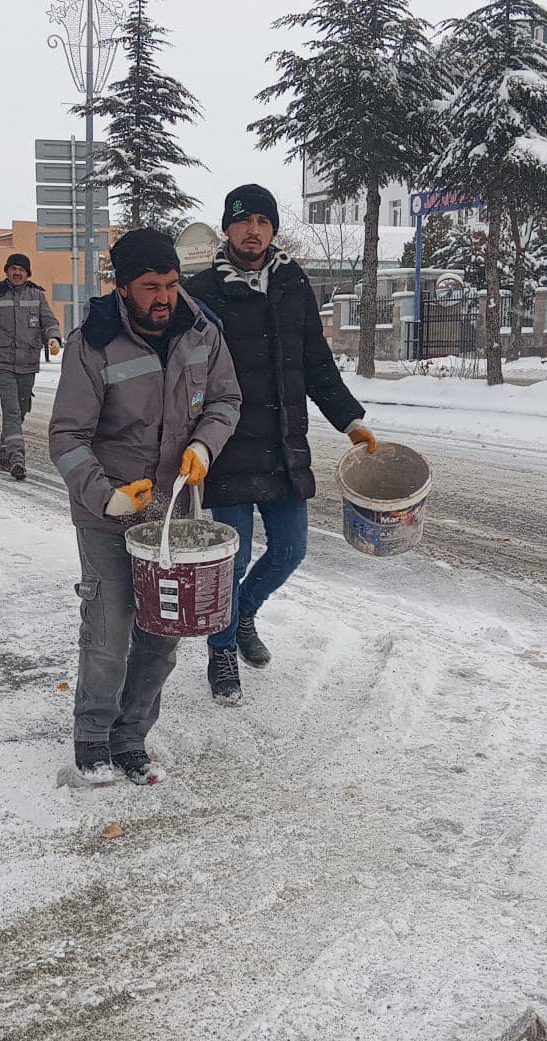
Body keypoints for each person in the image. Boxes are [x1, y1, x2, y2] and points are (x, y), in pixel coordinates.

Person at [48, 229, 242, 785]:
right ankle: (92, 740)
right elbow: (65, 438)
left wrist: (204, 445)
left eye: (172, 284)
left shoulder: (203, 332)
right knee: (110, 627)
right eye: (151, 286)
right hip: (107, 511)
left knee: (163, 630)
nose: (164, 298)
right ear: (124, 287)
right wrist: (107, 495)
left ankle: (130, 737)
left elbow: (226, 398)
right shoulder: (93, 344)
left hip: (172, 512)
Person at [184, 185, 377, 707]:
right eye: (243, 222)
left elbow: (316, 362)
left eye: (263, 222)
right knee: (233, 555)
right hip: (225, 446)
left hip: (284, 444)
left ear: (273, 229)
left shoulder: (293, 285)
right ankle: (220, 650)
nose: (254, 231)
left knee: (292, 549)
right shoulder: (201, 290)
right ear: (227, 229)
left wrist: (349, 419)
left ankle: (242, 612)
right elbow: (184, 372)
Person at [0, 253, 62, 481]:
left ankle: (4, 451)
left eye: (21, 269)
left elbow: (49, 322)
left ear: (28, 274)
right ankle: (17, 459)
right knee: (11, 410)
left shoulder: (37, 296)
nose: (17, 273)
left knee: (21, 410)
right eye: (13, 269)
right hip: (2, 363)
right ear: (7, 271)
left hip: (28, 362)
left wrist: (54, 338)